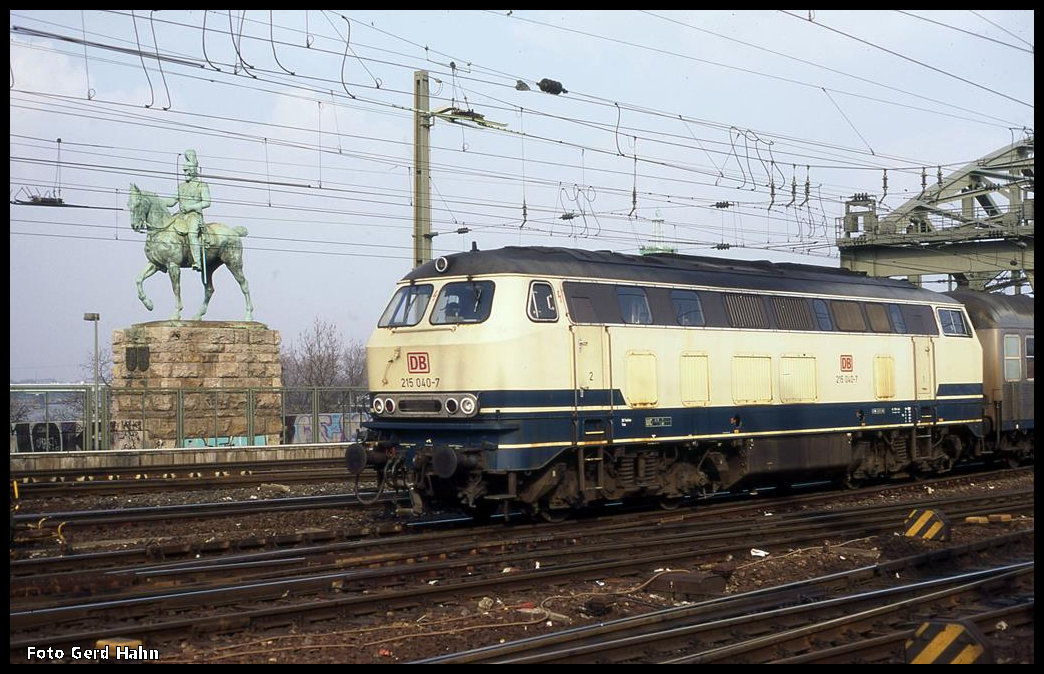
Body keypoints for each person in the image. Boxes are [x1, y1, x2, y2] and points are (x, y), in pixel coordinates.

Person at [165, 149, 212, 271]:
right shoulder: (181, 186)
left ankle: (197, 261)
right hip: (181, 216)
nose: (184, 172)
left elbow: (207, 202)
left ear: (193, 170)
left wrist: (191, 207)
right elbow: (171, 201)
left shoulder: (201, 185)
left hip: (194, 216)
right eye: (184, 170)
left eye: (186, 170)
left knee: (192, 234)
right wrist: (157, 201)